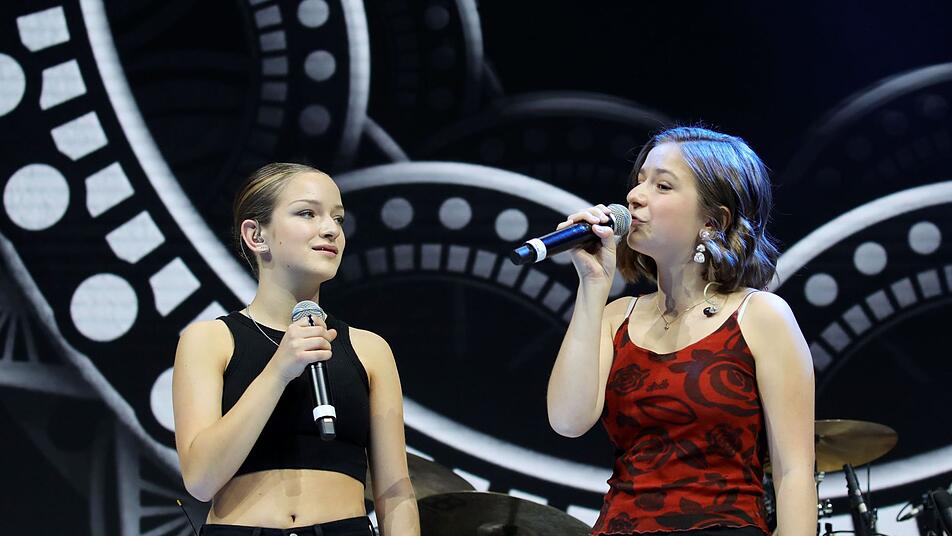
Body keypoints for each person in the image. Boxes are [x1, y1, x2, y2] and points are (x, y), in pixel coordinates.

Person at [547, 127, 816, 535]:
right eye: (639, 181)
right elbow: (568, 421)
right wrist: (593, 284)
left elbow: (794, 472)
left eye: (662, 186)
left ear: (713, 220)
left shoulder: (760, 316)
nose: (635, 197)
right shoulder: (616, 318)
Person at [172, 163, 419, 536]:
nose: (330, 229)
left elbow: (395, 491)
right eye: (307, 213)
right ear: (256, 235)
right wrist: (278, 371)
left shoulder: (369, 349)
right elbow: (201, 480)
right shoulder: (209, 340)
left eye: (338, 218)